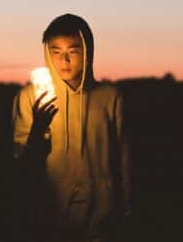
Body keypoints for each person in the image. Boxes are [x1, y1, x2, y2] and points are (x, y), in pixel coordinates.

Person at [11, 13, 134, 242]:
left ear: (87, 52)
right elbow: (22, 165)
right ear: (47, 53)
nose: (64, 61)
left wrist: (127, 210)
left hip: (103, 222)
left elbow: (124, 158)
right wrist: (38, 129)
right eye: (56, 52)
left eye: (73, 51)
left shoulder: (111, 97)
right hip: (50, 221)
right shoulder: (30, 98)